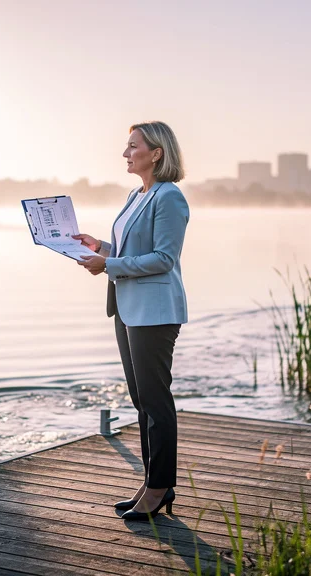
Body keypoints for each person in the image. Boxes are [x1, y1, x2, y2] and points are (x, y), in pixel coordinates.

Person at [73, 121, 189, 521]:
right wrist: (100, 248)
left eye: (132, 146)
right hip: (127, 309)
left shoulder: (169, 197)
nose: (125, 153)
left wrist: (109, 264)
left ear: (156, 153)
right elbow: (126, 251)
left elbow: (163, 259)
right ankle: (152, 482)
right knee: (142, 402)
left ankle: (160, 488)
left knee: (156, 401)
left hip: (154, 314)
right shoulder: (136, 195)